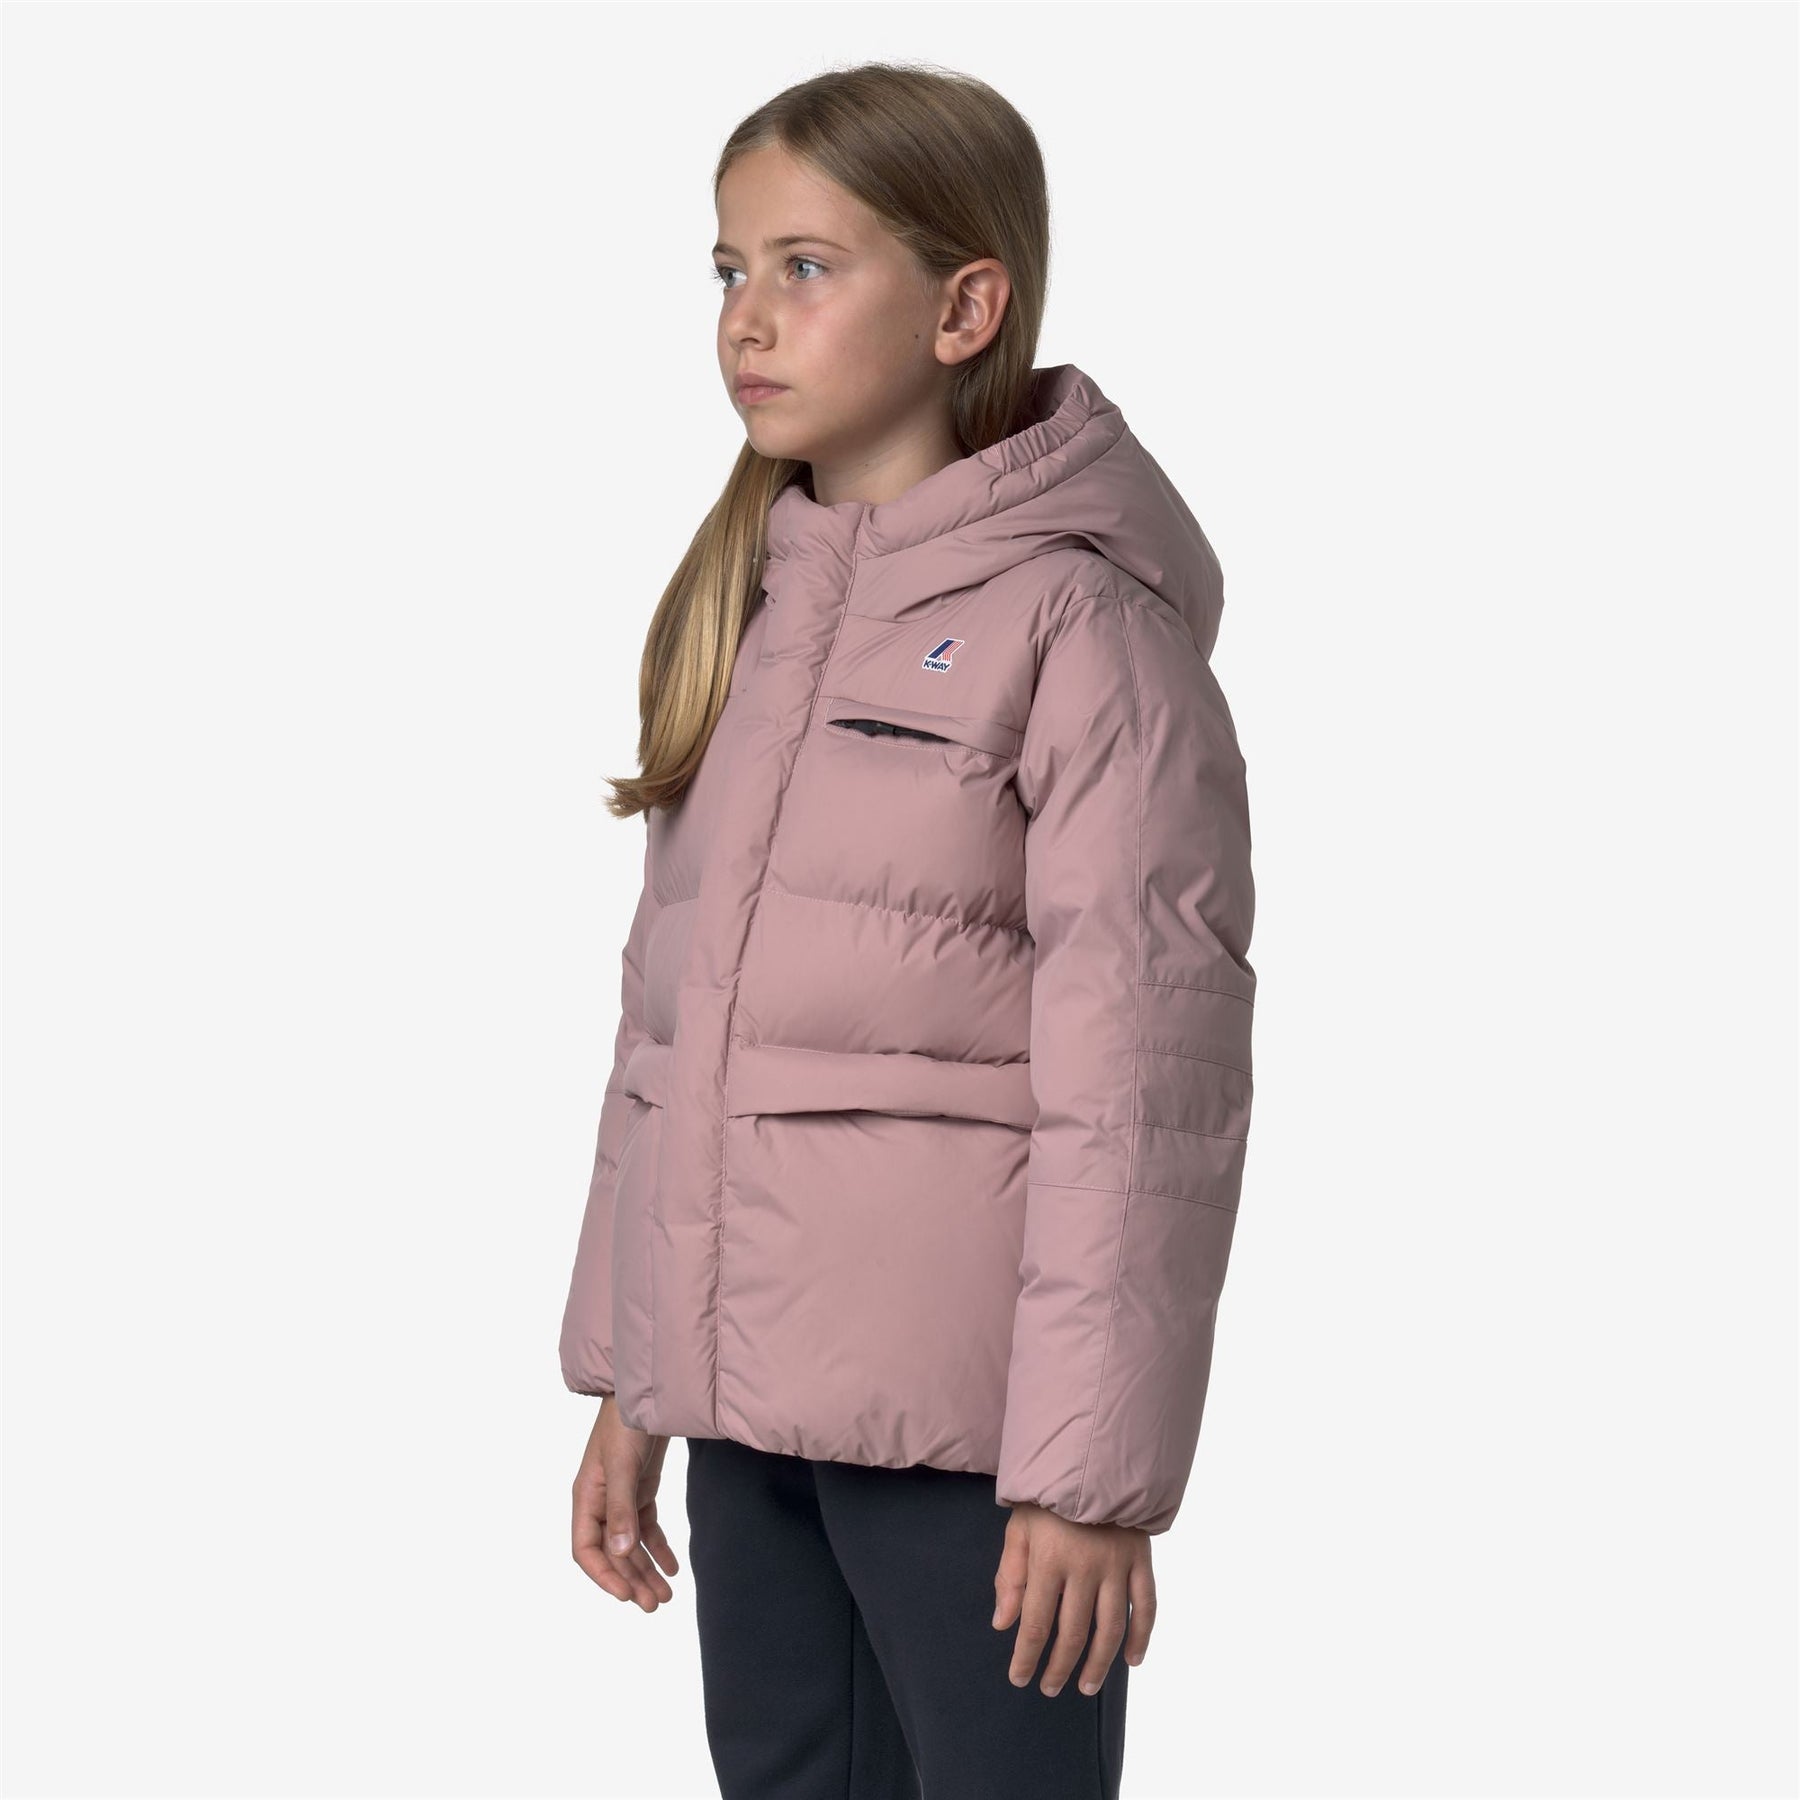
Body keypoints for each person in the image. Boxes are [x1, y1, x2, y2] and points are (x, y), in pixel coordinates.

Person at [557, 61, 1256, 1800]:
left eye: (807, 267)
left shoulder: (1080, 626)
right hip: (748, 1415)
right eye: (730, 270)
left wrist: (1090, 1472)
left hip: (976, 1446)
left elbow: (1145, 1084)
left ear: (964, 308)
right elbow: (671, 1033)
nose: (749, 317)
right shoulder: (748, 612)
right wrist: (634, 1376)